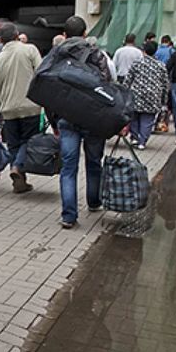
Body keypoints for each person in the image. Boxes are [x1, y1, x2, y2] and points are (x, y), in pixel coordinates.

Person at [53, 16, 111, 229]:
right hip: (93, 119)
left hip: (67, 118)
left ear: (65, 34)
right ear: (85, 34)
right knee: (94, 162)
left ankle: (69, 216)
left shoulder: (57, 56)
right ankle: (94, 201)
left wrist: (53, 121)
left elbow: (48, 90)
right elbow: (107, 86)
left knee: (68, 168)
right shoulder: (97, 55)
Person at [0, 23, 43, 193]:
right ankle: (17, 167)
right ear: (17, 35)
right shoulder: (30, 50)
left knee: (13, 145)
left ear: (0, 40)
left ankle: (19, 182)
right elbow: (41, 74)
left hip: (8, 110)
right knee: (28, 141)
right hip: (30, 106)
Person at [124, 41, 170, 150]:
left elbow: (128, 80)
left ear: (143, 51)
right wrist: (164, 100)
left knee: (134, 117)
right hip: (153, 96)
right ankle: (142, 142)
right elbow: (165, 84)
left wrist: (124, 93)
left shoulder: (137, 63)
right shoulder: (161, 65)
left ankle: (134, 138)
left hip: (136, 94)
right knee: (148, 120)